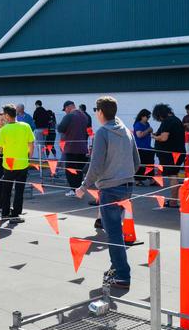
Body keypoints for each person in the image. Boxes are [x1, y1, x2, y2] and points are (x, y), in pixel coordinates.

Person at [75, 96, 140, 289]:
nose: (95, 113)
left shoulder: (102, 133)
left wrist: (83, 186)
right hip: (127, 186)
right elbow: (136, 161)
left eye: (96, 110)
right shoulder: (126, 131)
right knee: (116, 231)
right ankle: (116, 267)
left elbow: (95, 165)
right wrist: (125, 174)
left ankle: (122, 274)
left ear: (100, 112)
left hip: (110, 188)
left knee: (113, 234)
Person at [0, 104, 34, 222]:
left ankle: (5, 212)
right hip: (23, 163)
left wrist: (4, 149)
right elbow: (31, 144)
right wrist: (29, 157)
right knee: (19, 190)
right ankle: (16, 213)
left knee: (6, 190)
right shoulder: (26, 126)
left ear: (7, 115)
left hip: (9, 164)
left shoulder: (4, 129)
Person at [151, 103, 186, 208]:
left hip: (171, 154)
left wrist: (153, 137)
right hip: (177, 153)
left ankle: (174, 201)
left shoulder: (167, 121)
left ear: (160, 115)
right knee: (173, 175)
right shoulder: (176, 120)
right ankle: (174, 200)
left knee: (172, 177)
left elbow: (164, 138)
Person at [58, 100, 89, 196]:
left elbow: (60, 128)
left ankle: (73, 190)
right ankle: (79, 189)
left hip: (71, 148)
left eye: (65, 110)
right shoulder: (84, 116)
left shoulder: (70, 116)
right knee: (79, 171)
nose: (65, 112)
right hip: (82, 147)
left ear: (68, 107)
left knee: (70, 170)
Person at [133, 109, 155, 186]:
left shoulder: (147, 124)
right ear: (142, 116)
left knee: (150, 164)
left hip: (148, 147)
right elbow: (139, 135)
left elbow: (148, 133)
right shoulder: (138, 124)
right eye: (147, 116)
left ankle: (151, 179)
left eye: (149, 117)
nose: (148, 118)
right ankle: (138, 180)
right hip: (140, 148)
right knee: (141, 164)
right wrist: (148, 130)